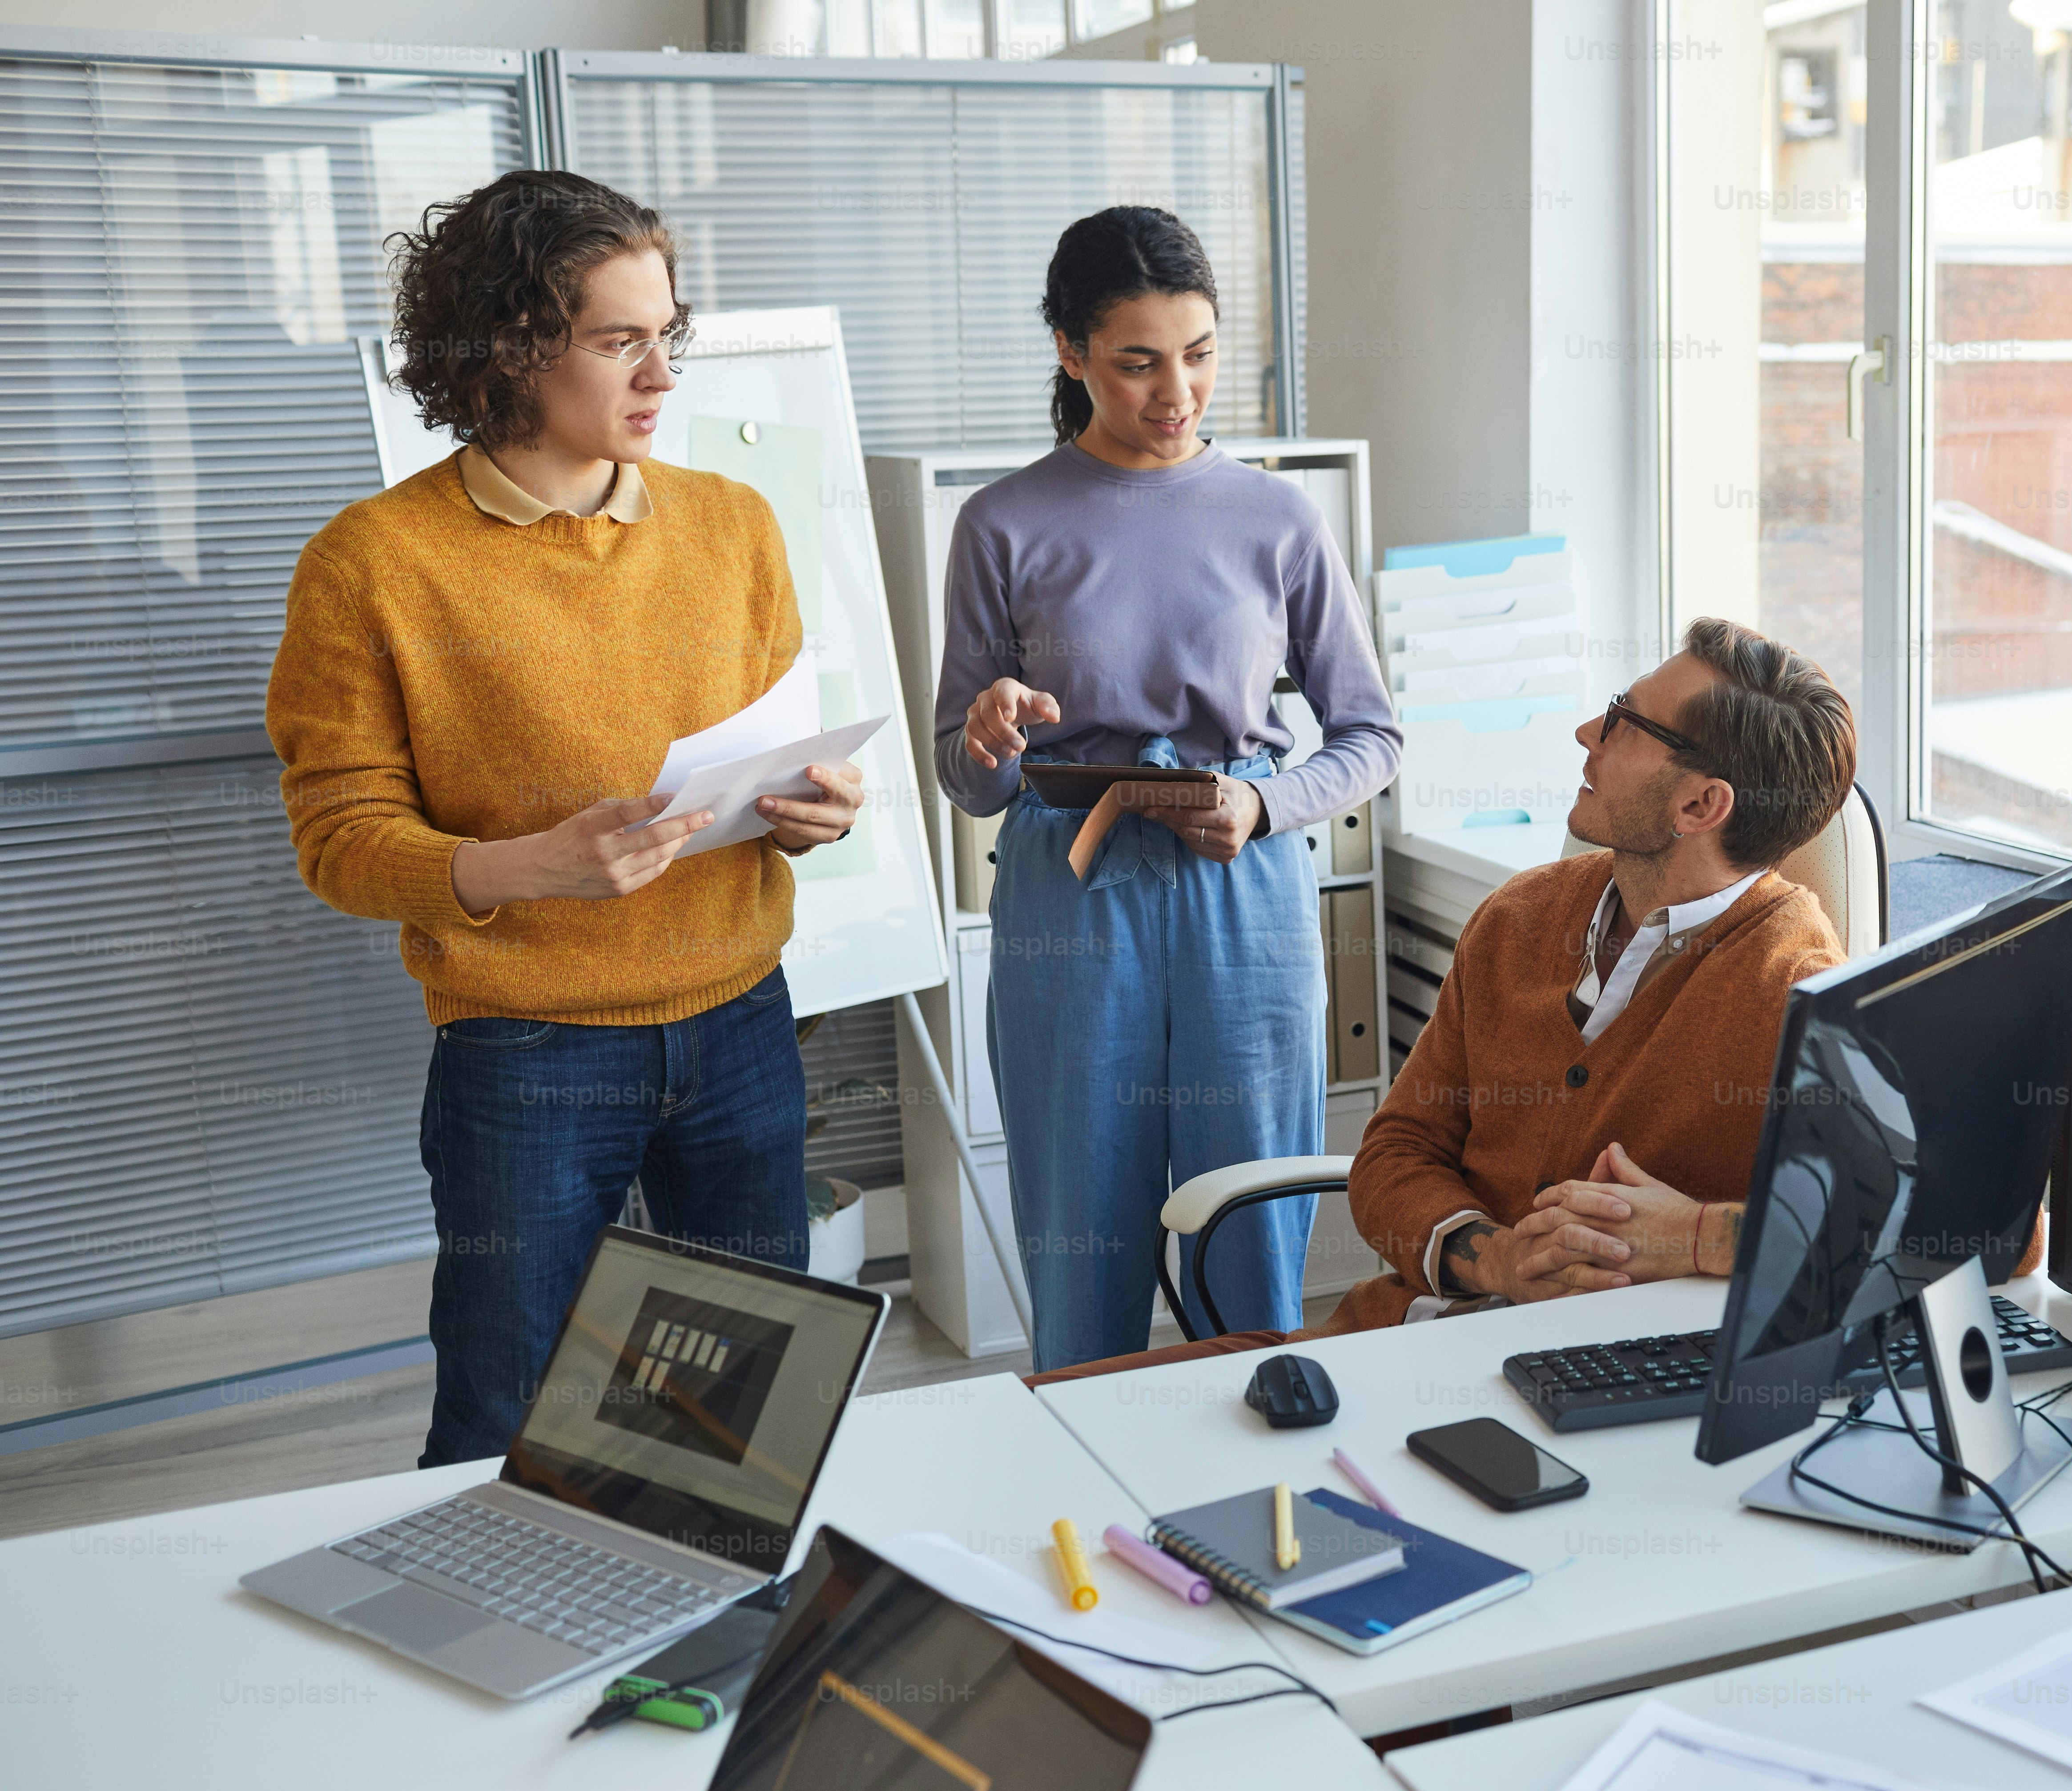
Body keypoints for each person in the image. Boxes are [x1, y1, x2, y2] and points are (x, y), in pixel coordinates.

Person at [266, 171, 861, 1465]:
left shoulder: (736, 524)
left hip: (743, 1025)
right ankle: (485, 1656)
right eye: (618, 341)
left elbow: (770, 762)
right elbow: (339, 841)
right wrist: (529, 865)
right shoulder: (370, 563)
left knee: (737, 1414)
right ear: (513, 349)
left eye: (669, 333)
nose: (661, 373)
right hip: (525, 1057)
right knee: (508, 1417)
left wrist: (810, 812)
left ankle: (706, 1655)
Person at [1030, 616, 1982, 1385]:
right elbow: (1396, 1154)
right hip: (1388, 1349)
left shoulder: (1796, 984)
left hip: (1569, 1390)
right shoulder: (1523, 914)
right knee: (1049, 1421)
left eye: (1622, 723)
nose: (1586, 735)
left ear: (1700, 806)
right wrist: (1488, 1259)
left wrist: (1692, 1236)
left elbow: (1982, 1232)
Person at [935, 205, 1400, 1373]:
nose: (1175, 391)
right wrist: (988, 733)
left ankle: (1265, 1469)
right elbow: (969, 779)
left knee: (1248, 1216)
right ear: (1071, 351)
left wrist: (1266, 806)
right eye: (1138, 362)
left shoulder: (1279, 518)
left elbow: (1372, 738)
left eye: (1198, 355)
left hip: (1239, 887)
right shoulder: (1002, 524)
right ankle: (1087, 1481)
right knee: (1080, 1222)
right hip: (1070, 889)